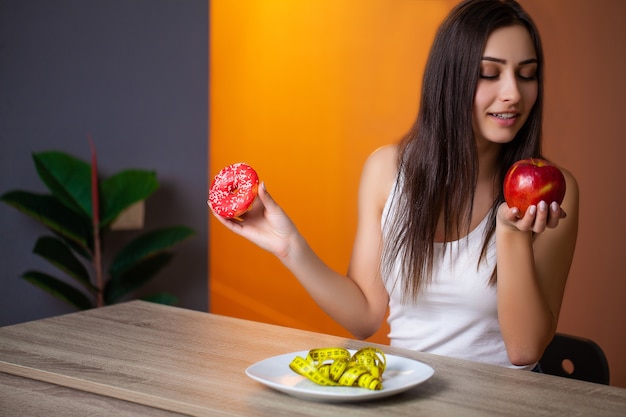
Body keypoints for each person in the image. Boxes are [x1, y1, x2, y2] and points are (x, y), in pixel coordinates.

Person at [211, 0, 579, 370]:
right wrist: (289, 247)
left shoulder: (554, 196)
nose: (513, 93)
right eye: (489, 73)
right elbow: (365, 316)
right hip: (403, 396)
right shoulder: (386, 170)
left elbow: (525, 350)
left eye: (527, 74)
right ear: (449, 79)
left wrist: (511, 233)